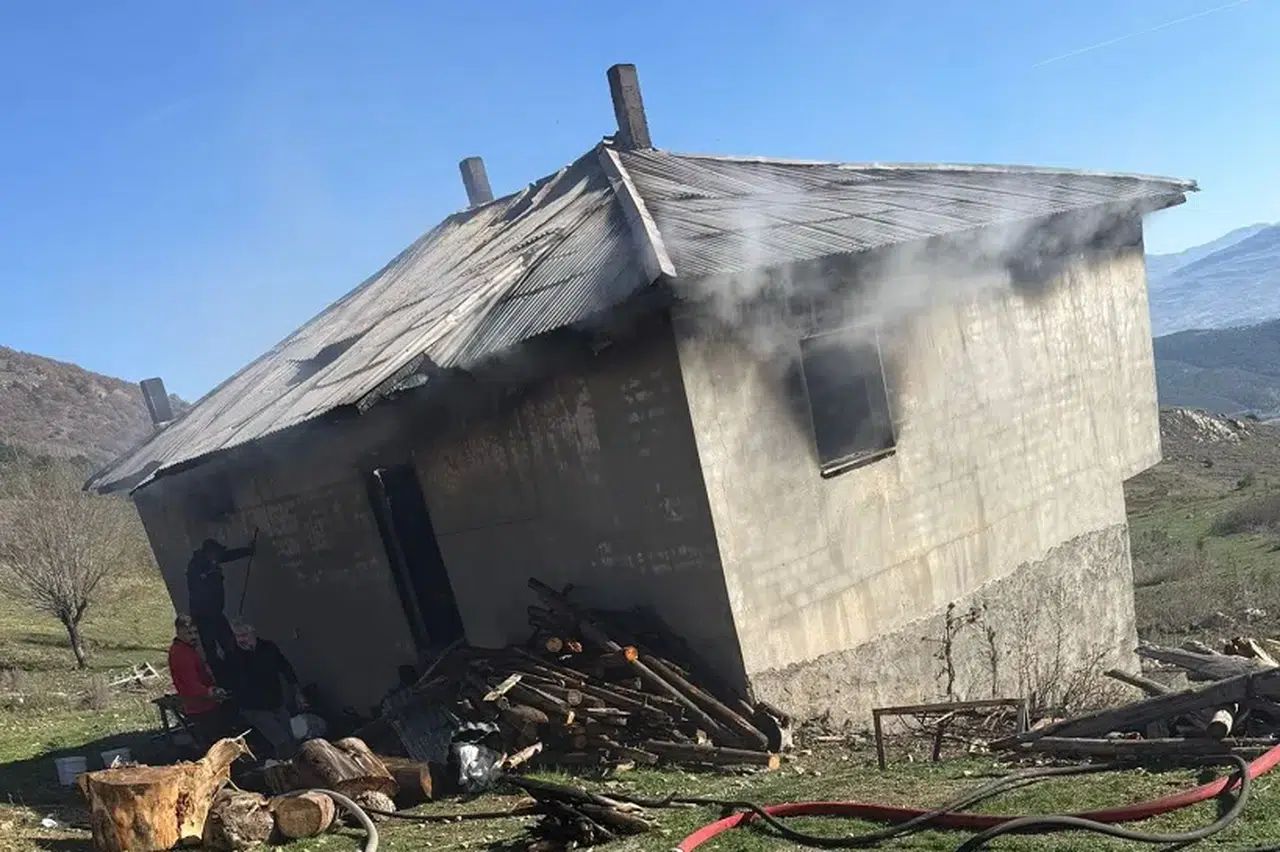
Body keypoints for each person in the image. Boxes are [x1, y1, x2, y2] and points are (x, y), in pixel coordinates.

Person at [225, 620, 304, 760]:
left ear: (252, 633)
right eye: (238, 636)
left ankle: (291, 763)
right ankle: (290, 765)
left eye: (244, 635)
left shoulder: (268, 648)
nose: (242, 640)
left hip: (276, 701)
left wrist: (297, 691)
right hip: (254, 707)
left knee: (290, 737)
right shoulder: (233, 655)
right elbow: (237, 681)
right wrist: (248, 654)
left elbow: (285, 667)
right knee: (281, 741)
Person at [186, 536, 256, 680]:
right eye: (216, 553)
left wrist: (247, 550)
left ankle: (240, 673)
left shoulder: (211, 560)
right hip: (204, 617)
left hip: (216, 613)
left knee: (230, 644)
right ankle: (223, 679)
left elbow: (228, 555)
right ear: (209, 553)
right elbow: (198, 591)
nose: (218, 557)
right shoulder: (197, 567)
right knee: (211, 650)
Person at [167, 615, 233, 747]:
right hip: (200, 708)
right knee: (217, 746)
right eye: (189, 633)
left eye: (195, 632)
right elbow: (190, 685)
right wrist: (212, 692)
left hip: (206, 704)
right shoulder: (181, 655)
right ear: (179, 632)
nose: (193, 637)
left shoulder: (189, 649)